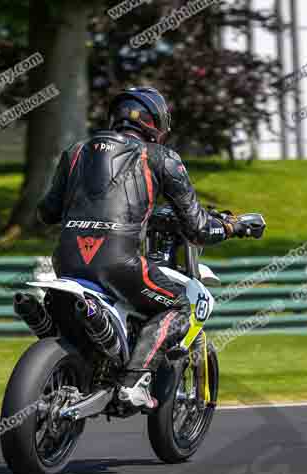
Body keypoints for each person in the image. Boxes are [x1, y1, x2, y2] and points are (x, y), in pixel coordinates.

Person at [37, 87, 260, 408]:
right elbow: (197, 229)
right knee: (184, 305)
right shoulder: (161, 158)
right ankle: (134, 381)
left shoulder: (75, 152)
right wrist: (233, 225)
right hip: (118, 263)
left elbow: (47, 213)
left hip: (67, 261)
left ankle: (83, 353)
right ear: (156, 123)